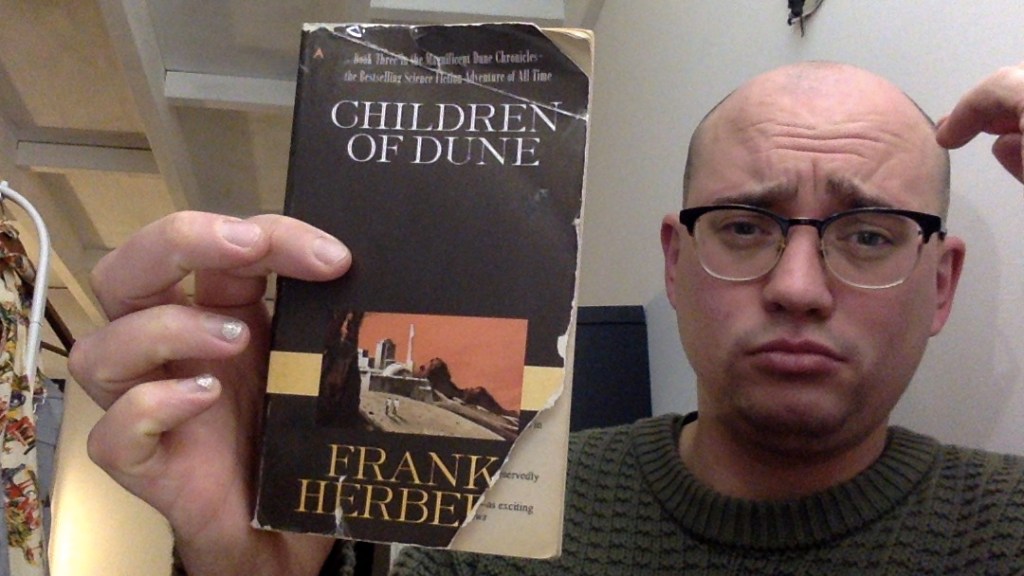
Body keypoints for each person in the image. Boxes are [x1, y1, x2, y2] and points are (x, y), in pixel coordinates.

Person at [66, 60, 1024, 575]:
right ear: (676, 263)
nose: (799, 286)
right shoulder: (493, 524)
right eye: (743, 226)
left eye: (869, 236)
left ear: (940, 286)